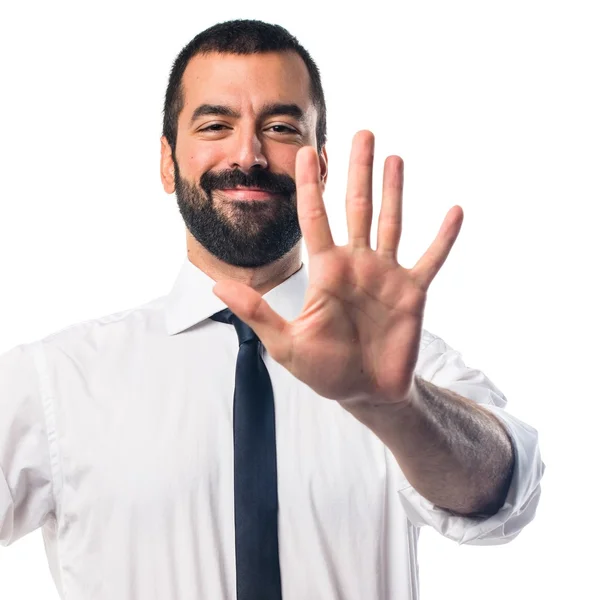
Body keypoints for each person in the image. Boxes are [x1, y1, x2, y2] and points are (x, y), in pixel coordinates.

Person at [0, 18, 544, 600]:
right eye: (215, 125)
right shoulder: (57, 380)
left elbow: (505, 495)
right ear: (167, 162)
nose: (249, 154)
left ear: (322, 165)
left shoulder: (400, 364)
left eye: (281, 127)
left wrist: (397, 404)